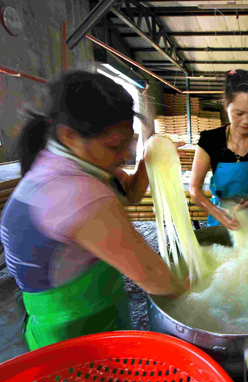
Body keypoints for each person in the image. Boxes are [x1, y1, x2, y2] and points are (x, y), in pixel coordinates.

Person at [0, 70, 188, 350]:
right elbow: (159, 280)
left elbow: (130, 194)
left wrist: (151, 158)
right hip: (72, 335)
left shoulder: (75, 162)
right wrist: (211, 291)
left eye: (128, 143)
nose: (124, 156)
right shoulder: (77, 194)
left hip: (94, 306)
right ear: (69, 136)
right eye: (114, 147)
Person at [190, 69, 248, 230]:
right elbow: (194, 189)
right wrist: (220, 215)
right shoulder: (210, 140)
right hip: (221, 217)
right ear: (226, 106)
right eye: (239, 113)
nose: (247, 121)